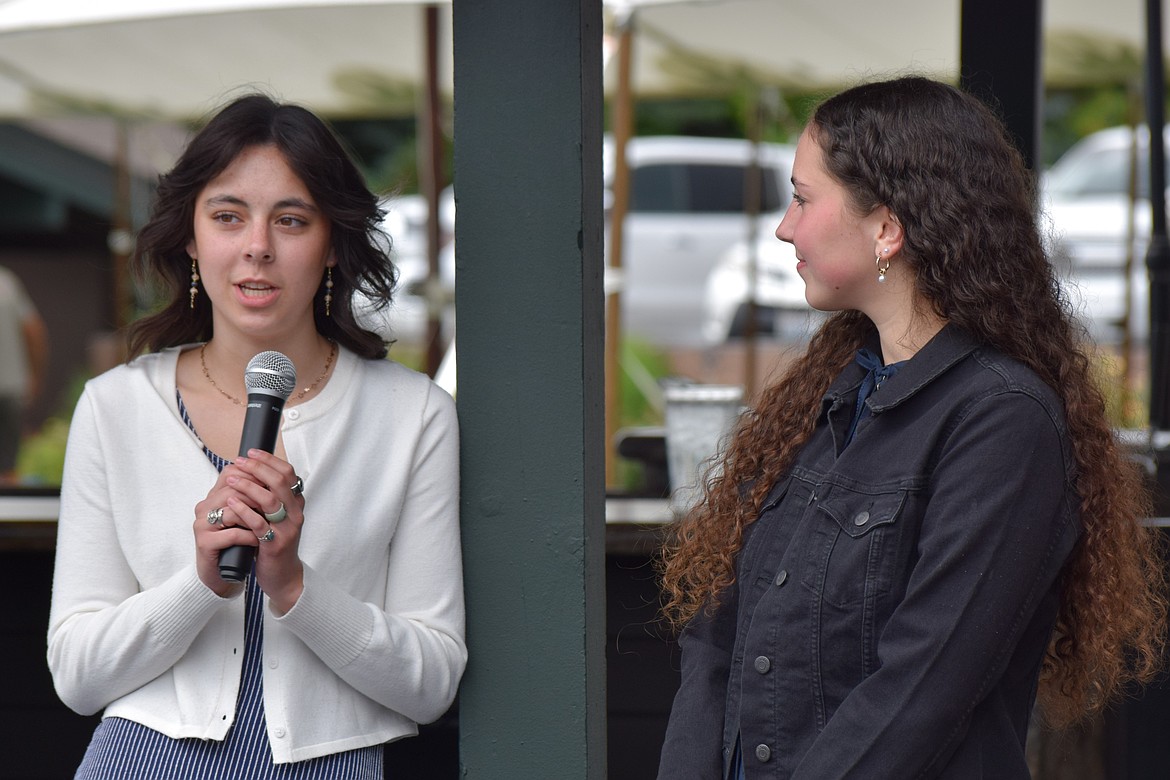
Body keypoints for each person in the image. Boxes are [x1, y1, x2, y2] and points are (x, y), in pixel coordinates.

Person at [656, 76, 1167, 779]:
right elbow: (716, 638)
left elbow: (923, 689)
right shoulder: (820, 399)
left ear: (887, 229)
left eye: (803, 198)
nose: (784, 227)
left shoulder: (1002, 420)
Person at [47, 93, 465, 778]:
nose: (257, 247)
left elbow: (432, 681)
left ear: (332, 244)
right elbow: (77, 676)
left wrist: (295, 586)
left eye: (291, 220)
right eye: (227, 216)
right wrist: (200, 583)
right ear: (191, 237)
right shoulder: (115, 406)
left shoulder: (412, 415)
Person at [0, 264, 49, 485]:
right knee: (8, 468)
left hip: (10, 386)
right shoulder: (6, 282)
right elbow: (34, 330)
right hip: (11, 387)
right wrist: (34, 374)